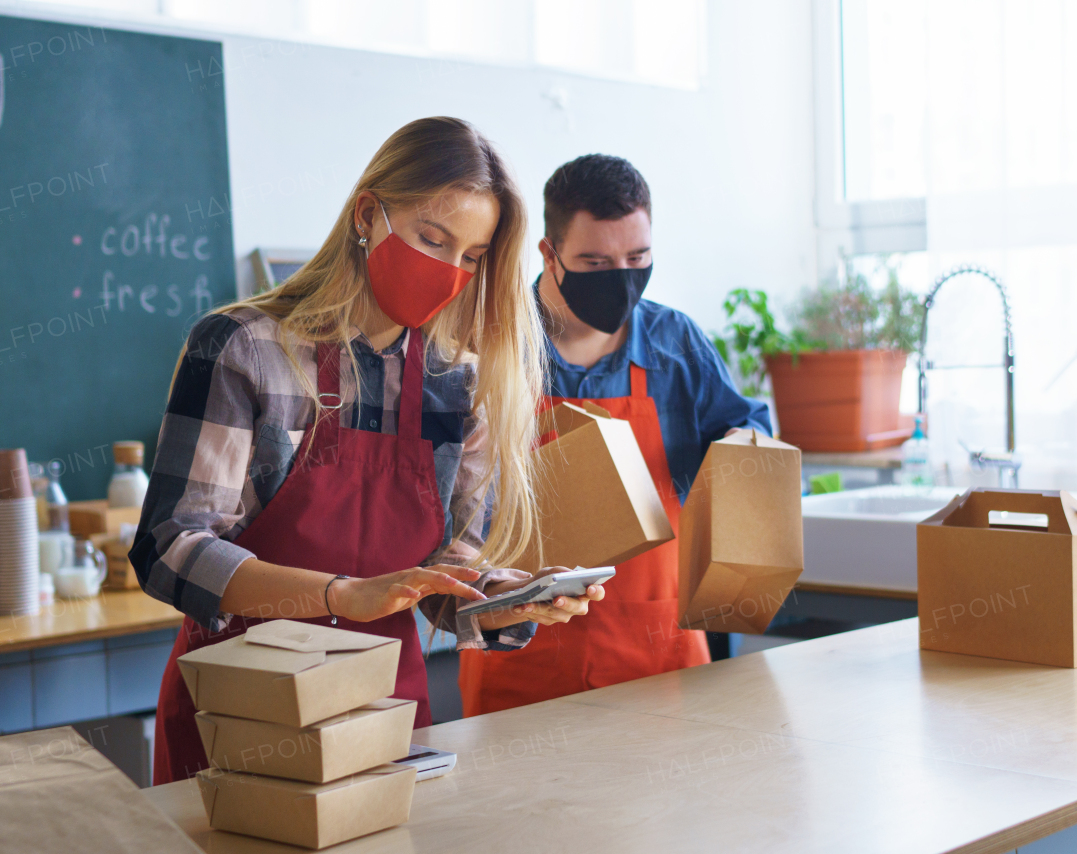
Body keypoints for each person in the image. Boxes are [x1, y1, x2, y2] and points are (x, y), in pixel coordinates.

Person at [133, 118, 604, 784]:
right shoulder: (243, 348)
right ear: (367, 215)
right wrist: (339, 595)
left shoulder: (460, 384)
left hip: (382, 720)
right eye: (432, 239)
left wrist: (508, 597)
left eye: (471, 257)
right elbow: (170, 546)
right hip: (236, 713)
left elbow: (444, 579)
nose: (449, 270)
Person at [458, 154, 770, 715]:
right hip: (520, 646)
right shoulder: (489, 340)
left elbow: (748, 431)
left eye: (638, 257)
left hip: (654, 647)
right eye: (596, 262)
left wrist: (741, 453)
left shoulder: (675, 343)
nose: (621, 278)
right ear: (549, 254)